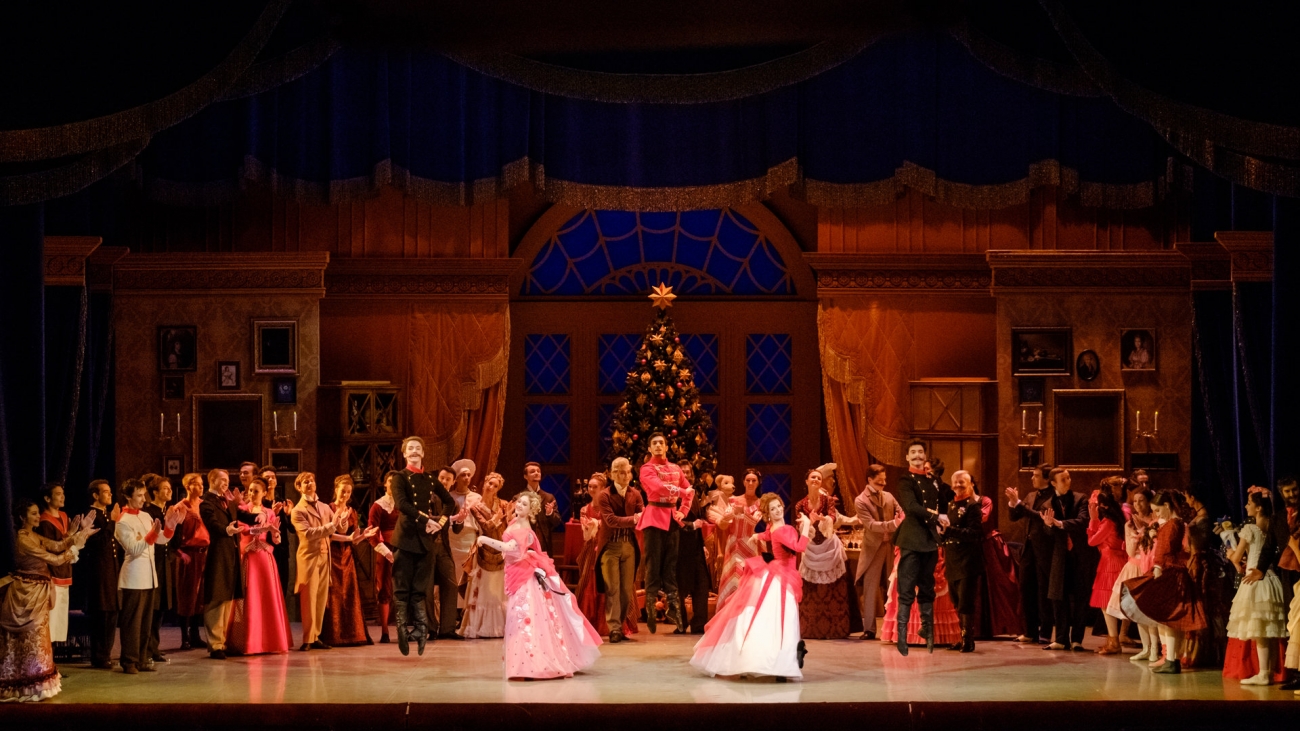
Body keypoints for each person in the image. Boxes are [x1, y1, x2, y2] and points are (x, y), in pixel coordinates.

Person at [476, 491, 602, 680]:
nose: (519, 506)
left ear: (530, 511)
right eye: (519, 502)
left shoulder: (523, 529)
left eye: (524, 505)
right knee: (522, 620)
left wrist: (484, 539)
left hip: (523, 579)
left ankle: (530, 665)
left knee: (523, 620)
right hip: (517, 573)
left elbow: (509, 548)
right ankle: (525, 664)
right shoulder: (515, 522)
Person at [691, 493, 813, 681]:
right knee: (781, 620)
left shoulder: (775, 527)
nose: (777, 510)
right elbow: (799, 547)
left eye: (779, 506)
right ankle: (780, 664)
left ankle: (765, 661)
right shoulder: (783, 530)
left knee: (765, 618)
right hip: (781, 577)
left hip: (777, 573)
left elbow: (769, 534)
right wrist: (806, 526)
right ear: (768, 514)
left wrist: (757, 535)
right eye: (773, 509)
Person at [1, 500, 95, 701]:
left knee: (38, 639)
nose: (38, 517)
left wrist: (78, 535)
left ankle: (36, 685)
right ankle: (25, 685)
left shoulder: (33, 535)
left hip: (37, 592)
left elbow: (57, 546)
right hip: (26, 593)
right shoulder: (23, 539)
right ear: (22, 517)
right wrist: (76, 548)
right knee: (29, 640)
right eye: (34, 514)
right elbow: (55, 559)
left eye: (37, 513)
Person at [1121, 491, 1207, 674]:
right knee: (1167, 619)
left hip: (1169, 572)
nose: (1157, 514)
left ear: (1167, 506)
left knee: (1167, 618)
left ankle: (1171, 660)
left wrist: (1158, 566)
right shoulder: (1175, 524)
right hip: (1172, 570)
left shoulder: (1172, 524)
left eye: (1158, 510)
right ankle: (1170, 659)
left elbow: (1164, 549)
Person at [1012, 467, 1091, 651]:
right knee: (1058, 597)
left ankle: (1077, 640)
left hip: (1079, 555)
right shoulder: (1048, 504)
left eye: (1068, 478)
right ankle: (1061, 639)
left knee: (1080, 597)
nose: (1068, 481)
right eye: (1063, 479)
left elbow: (1082, 521)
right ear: (1054, 483)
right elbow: (1047, 532)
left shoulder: (1080, 498)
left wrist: (1060, 524)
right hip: (1058, 555)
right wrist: (1049, 525)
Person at [389, 436, 455, 655]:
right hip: (405, 538)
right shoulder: (399, 477)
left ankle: (420, 629)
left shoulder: (430, 478)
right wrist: (426, 519)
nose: (414, 451)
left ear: (423, 453)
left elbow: (449, 502)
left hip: (425, 541)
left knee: (420, 588)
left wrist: (441, 523)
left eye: (418, 448)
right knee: (402, 587)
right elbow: (402, 504)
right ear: (404, 453)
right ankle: (401, 629)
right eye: (410, 448)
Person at [116, 478, 183, 673]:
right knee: (133, 622)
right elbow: (134, 549)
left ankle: (143, 657)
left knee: (146, 621)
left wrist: (170, 526)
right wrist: (152, 535)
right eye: (138, 495)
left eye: (143, 494)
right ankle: (129, 660)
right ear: (128, 496)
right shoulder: (122, 521)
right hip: (134, 577)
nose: (143, 499)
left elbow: (160, 540)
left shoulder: (145, 516)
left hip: (149, 576)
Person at [1224, 489, 1288, 685]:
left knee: (1259, 629)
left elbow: (1237, 557)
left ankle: (1264, 673)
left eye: (1249, 503)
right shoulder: (1270, 525)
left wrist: (1230, 553)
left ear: (1258, 508)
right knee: (1268, 629)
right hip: (1272, 579)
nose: (1246, 506)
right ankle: (1269, 672)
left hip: (1255, 580)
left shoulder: (1250, 529)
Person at [225, 477, 292, 655]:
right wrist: (263, 529)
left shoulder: (269, 512)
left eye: (256, 491)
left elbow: (275, 539)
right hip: (248, 557)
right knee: (248, 597)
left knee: (266, 598)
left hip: (264, 558)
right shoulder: (242, 510)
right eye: (251, 490)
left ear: (264, 493)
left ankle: (269, 640)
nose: (253, 494)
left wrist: (275, 534)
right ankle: (247, 641)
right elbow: (244, 530)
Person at [892, 440, 945, 655]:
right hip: (912, 539)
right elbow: (911, 506)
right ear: (907, 457)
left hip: (929, 540)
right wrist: (935, 516)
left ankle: (928, 631)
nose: (917, 455)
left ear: (925, 456)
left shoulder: (933, 480)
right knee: (906, 589)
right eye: (913, 452)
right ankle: (902, 638)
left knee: (927, 587)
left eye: (920, 452)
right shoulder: (905, 480)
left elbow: (943, 502)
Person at [199, 468, 257, 660]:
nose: (226, 483)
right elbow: (213, 524)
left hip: (231, 555)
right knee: (217, 598)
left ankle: (221, 641)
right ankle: (215, 644)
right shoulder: (206, 503)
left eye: (227, 480)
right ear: (212, 480)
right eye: (222, 480)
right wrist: (227, 530)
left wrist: (257, 517)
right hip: (218, 555)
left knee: (227, 598)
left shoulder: (226, 501)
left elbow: (241, 514)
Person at [637, 433, 690, 633]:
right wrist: (682, 493)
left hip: (672, 519)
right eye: (654, 443)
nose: (658, 445)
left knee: (670, 567)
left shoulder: (676, 468)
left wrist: (683, 511)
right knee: (653, 566)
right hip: (654, 518)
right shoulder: (647, 468)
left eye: (661, 443)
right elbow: (658, 488)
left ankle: (674, 610)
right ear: (649, 448)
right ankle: (650, 610)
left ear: (667, 447)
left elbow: (690, 491)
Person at [794, 465, 851, 640]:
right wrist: (809, 523)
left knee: (833, 591)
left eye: (818, 478)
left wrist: (824, 519)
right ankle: (810, 629)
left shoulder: (828, 500)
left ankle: (836, 629)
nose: (816, 480)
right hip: (811, 548)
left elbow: (832, 516)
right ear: (806, 481)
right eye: (813, 477)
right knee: (811, 592)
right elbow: (799, 525)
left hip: (829, 546)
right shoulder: (800, 504)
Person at [291, 471, 344, 651]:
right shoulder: (298, 510)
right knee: (309, 598)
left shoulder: (324, 507)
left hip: (324, 556)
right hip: (310, 557)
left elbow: (336, 529)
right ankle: (308, 638)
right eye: (305, 482)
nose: (310, 484)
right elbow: (308, 534)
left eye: (312, 480)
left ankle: (316, 636)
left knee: (321, 598)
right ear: (299, 487)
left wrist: (342, 522)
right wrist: (333, 525)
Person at [322, 475, 377, 647]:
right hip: (333, 555)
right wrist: (348, 538)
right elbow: (328, 535)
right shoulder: (328, 509)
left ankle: (353, 634)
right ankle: (333, 635)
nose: (345, 495)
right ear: (336, 490)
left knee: (348, 593)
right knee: (334, 594)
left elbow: (353, 539)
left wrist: (364, 536)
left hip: (347, 556)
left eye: (348, 492)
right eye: (342, 491)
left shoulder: (352, 511)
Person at [595, 457, 644, 643]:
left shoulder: (635, 494)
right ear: (613, 474)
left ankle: (621, 626)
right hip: (611, 547)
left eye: (628, 472)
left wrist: (639, 518)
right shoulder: (605, 495)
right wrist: (634, 519)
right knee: (612, 588)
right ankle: (614, 628)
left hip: (629, 545)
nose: (626, 476)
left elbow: (642, 516)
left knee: (625, 590)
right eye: (622, 473)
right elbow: (611, 521)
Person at [1006, 464, 1054, 645]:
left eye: (1036, 475)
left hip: (1045, 550)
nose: (1032, 478)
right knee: (1026, 589)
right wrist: (1013, 503)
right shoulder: (1031, 495)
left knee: (1044, 591)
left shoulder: (1053, 496)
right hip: (1028, 549)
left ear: (1047, 478)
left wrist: (1019, 503)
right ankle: (1030, 631)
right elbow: (1014, 516)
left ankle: (1045, 632)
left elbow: (1040, 516)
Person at [853, 464, 902, 640]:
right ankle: (869, 629)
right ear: (870, 480)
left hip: (891, 545)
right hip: (873, 548)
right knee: (870, 587)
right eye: (879, 482)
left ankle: (894, 628)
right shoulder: (860, 500)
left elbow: (901, 512)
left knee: (893, 586)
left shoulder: (889, 496)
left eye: (884, 481)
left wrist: (899, 520)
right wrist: (893, 524)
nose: (883, 484)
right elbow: (871, 525)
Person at [458, 471, 508, 638]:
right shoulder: (476, 507)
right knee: (484, 587)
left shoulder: (502, 505)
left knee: (497, 588)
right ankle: (479, 625)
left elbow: (507, 526)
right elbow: (486, 527)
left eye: (495, 486)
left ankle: (499, 626)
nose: (491, 487)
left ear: (498, 489)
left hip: (500, 549)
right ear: (485, 483)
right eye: (489, 483)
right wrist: (496, 519)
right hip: (483, 548)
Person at [940, 470, 984, 652]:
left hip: (968, 561)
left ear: (971, 484)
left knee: (966, 601)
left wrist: (949, 531)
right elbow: (946, 532)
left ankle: (968, 640)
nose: (958, 485)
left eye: (962, 482)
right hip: (952, 559)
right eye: (956, 482)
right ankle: (961, 637)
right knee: (956, 601)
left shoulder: (973, 506)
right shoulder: (950, 505)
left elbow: (974, 534)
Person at [972, 479, 1022, 638]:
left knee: (999, 585)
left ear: (971, 484)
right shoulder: (956, 503)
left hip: (989, 546)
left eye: (963, 483)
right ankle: (974, 629)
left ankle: (1003, 626)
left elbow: (983, 518)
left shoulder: (984, 500)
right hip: (970, 545)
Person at [80, 479, 119, 668]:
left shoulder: (105, 514)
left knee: (111, 612)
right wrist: (113, 522)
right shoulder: (92, 515)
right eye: (105, 492)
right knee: (102, 614)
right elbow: (100, 543)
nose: (110, 494)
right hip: (99, 572)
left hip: (110, 571)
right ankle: (99, 656)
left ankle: (106, 653)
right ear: (95, 495)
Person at [1087, 480, 1129, 655]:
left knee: (1106, 603)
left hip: (1110, 563)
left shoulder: (1108, 522)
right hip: (1118, 561)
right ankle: (1115, 639)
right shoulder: (1119, 519)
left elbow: (1092, 541)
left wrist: (1093, 520)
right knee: (1114, 602)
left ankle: (1114, 641)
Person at [715, 469, 762, 612]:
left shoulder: (761, 503)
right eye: (748, 480)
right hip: (734, 545)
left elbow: (764, 527)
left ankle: (747, 615)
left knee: (750, 582)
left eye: (754, 480)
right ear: (743, 482)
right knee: (734, 580)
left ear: (758, 483)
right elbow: (723, 526)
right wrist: (726, 518)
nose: (750, 483)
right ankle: (729, 615)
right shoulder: (733, 501)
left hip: (752, 545)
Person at [32, 484, 75, 647]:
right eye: (58, 494)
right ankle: (47, 657)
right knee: (51, 618)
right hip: (52, 574)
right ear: (47, 498)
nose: (62, 497)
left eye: (63, 493)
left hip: (65, 572)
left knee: (59, 621)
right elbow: (52, 549)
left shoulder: (64, 516)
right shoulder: (44, 521)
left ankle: (53, 655)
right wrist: (72, 537)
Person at [140, 474, 176, 663]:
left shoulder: (165, 511)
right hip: (152, 563)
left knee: (161, 606)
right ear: (154, 492)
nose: (169, 491)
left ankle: (154, 647)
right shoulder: (149, 512)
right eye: (165, 488)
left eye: (170, 488)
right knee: (152, 607)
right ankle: (146, 648)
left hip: (164, 563)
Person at [173, 473, 210, 651]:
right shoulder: (180, 507)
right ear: (188, 486)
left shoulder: (204, 505)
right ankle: (184, 637)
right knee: (187, 596)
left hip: (204, 553)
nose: (201, 487)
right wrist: (180, 553)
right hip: (188, 554)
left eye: (202, 484)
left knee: (200, 596)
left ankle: (195, 635)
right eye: (197, 484)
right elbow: (173, 535)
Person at [676, 462, 713, 634]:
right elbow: (672, 521)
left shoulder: (694, 494)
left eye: (688, 472)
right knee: (679, 587)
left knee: (701, 585)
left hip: (695, 547)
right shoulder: (673, 496)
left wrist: (702, 545)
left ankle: (699, 624)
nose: (686, 475)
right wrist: (692, 525)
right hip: (679, 547)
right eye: (682, 472)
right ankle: (681, 623)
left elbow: (699, 521)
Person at [368, 471, 401, 643]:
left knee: (404, 589)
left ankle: (403, 629)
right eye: (390, 481)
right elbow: (372, 533)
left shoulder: (404, 504)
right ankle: (385, 631)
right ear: (385, 484)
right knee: (384, 588)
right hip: (385, 549)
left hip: (403, 549)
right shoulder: (378, 506)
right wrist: (385, 551)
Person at [446, 459, 480, 603]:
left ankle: (467, 606)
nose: (466, 478)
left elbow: (479, 521)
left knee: (468, 573)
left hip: (469, 540)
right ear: (457, 478)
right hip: (452, 539)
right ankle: (453, 606)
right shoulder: (449, 497)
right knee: (453, 573)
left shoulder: (477, 498)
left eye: (468, 475)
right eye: (463, 475)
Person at [521, 462, 563, 557]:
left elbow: (557, 522)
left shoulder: (549, 497)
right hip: (525, 542)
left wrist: (550, 513)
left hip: (544, 542)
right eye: (532, 471)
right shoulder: (519, 497)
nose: (536, 473)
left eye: (538, 471)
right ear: (525, 476)